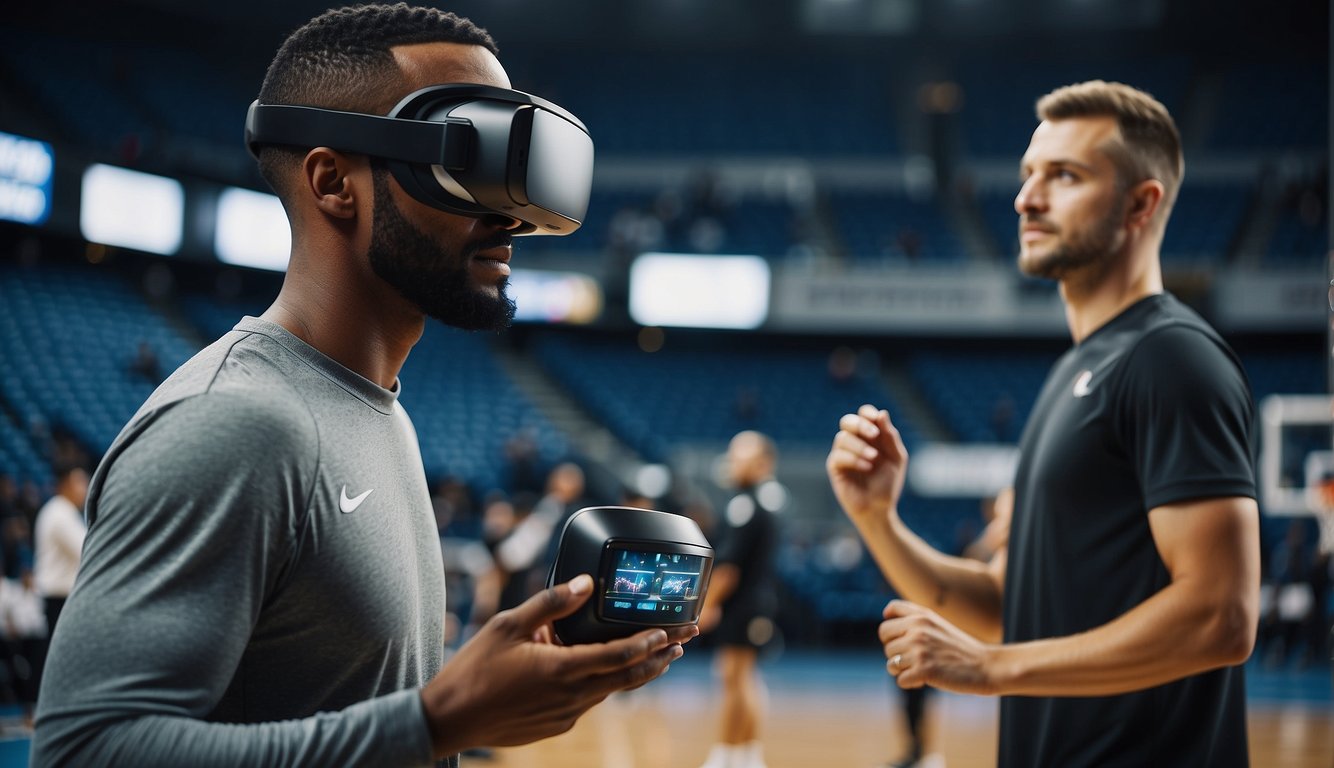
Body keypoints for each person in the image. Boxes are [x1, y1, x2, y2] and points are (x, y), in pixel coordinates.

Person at [32, 5, 694, 766]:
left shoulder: (378, 411)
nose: (512, 216)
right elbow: (85, 750)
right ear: (332, 181)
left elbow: (335, 707)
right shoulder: (235, 424)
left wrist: (474, 705)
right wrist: (434, 722)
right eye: (470, 157)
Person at [826, 81, 1259, 767]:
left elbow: (1219, 617)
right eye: (1030, 174)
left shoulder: (1171, 357)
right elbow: (1006, 606)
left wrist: (993, 669)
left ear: (1141, 204)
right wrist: (879, 520)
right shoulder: (1076, 372)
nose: (1027, 198)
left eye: (1065, 176)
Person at [698, 431, 785, 768]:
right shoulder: (769, 500)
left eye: (741, 456)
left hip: (743, 605)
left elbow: (729, 568)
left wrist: (707, 604)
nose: (732, 462)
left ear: (763, 463)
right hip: (757, 603)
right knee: (745, 678)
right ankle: (747, 754)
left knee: (734, 677)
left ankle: (727, 753)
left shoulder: (746, 504)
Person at [32, 463, 87, 635]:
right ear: (67, 484)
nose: (85, 488)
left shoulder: (62, 510)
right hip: (58, 597)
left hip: (59, 597)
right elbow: (85, 550)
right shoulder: (60, 512)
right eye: (80, 483)